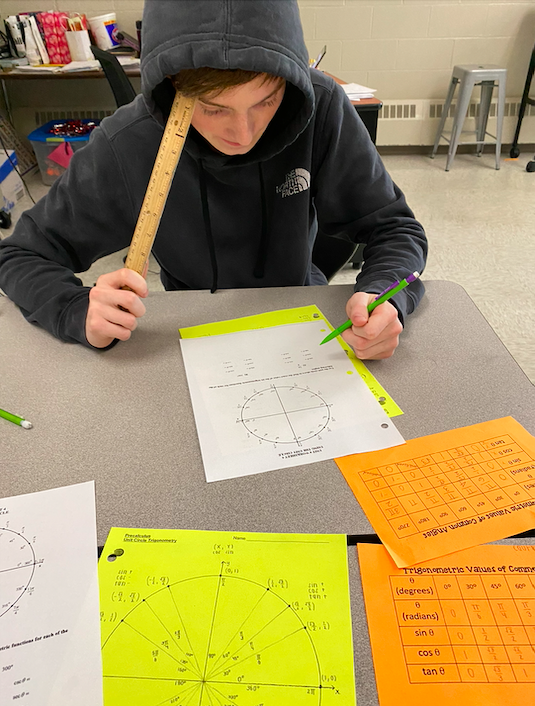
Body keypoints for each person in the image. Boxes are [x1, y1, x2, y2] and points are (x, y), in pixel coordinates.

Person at [0, 0, 427, 359]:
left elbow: (395, 229)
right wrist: (78, 311)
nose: (243, 134)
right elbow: (19, 255)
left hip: (299, 310)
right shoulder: (129, 142)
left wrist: (386, 296)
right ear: (172, 87)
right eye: (213, 108)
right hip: (186, 323)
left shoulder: (321, 106)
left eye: (266, 101)